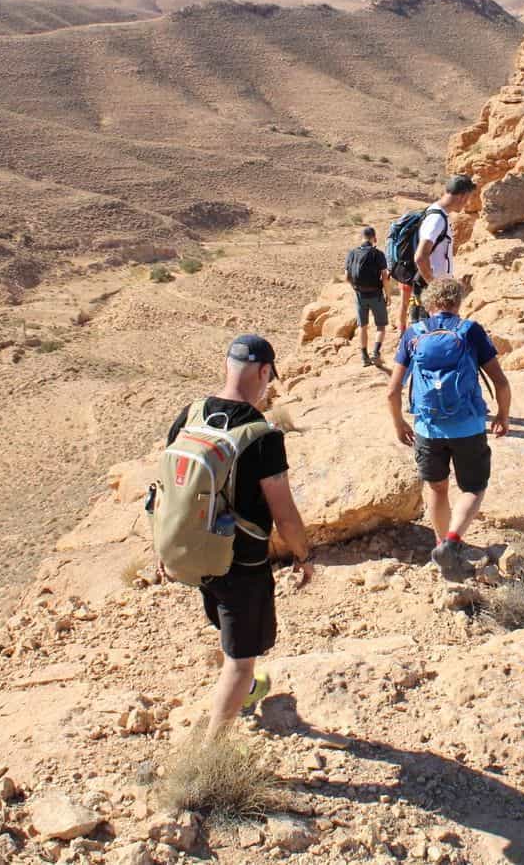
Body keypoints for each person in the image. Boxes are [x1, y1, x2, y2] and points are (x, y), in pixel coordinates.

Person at [167, 334, 314, 742]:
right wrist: (303, 555)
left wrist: (163, 549)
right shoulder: (262, 436)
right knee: (241, 659)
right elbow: (285, 515)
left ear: (226, 365)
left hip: (192, 552)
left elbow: (168, 491)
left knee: (228, 627)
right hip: (242, 563)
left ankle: (245, 691)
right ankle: (210, 752)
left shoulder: (190, 415)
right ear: (265, 373)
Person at [384, 276, 511, 577]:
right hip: (467, 426)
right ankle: (452, 543)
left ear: (429, 304)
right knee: (473, 487)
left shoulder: (414, 333)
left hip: (427, 429)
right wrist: (503, 414)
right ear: (458, 303)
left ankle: (442, 546)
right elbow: (500, 382)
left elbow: (392, 390)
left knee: (437, 489)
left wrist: (399, 422)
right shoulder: (470, 331)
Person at [404, 174, 477, 330]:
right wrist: (435, 286)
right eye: (469, 197)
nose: (468, 203)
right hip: (430, 292)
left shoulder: (436, 212)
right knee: (429, 339)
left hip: (431, 289)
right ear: (463, 196)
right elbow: (420, 257)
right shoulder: (436, 219)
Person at [345, 225, 390, 367]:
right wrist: (388, 295)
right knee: (381, 326)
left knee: (363, 326)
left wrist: (355, 288)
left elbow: (347, 276)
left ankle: (364, 356)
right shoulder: (378, 254)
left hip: (360, 295)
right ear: (374, 238)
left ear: (362, 238)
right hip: (376, 294)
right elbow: (384, 277)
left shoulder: (352, 253)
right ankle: (376, 352)